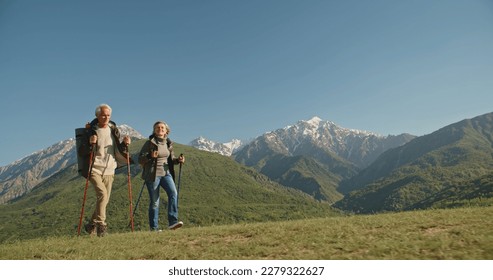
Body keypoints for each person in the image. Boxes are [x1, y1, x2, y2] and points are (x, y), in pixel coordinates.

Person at [78, 103, 132, 237]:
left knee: (104, 200)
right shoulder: (90, 130)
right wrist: (90, 143)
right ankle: (102, 226)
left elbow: (118, 148)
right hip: (94, 168)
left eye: (108, 115)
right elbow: (81, 151)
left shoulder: (113, 129)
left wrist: (125, 144)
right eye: (103, 115)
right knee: (102, 195)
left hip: (109, 168)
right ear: (97, 115)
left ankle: (91, 225)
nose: (106, 117)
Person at [138, 121, 185, 231]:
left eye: (162, 127)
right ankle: (154, 228)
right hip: (153, 175)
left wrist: (178, 160)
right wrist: (150, 156)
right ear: (154, 130)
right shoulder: (149, 143)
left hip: (166, 174)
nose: (160, 129)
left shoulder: (168, 143)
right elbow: (140, 159)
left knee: (173, 193)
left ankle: (173, 222)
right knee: (155, 201)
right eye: (157, 127)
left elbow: (171, 159)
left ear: (166, 131)